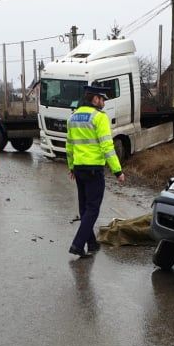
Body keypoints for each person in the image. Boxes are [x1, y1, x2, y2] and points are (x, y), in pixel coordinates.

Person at [66, 85, 125, 257]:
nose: (104, 102)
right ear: (95, 99)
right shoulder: (99, 118)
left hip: (78, 168)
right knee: (92, 209)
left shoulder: (73, 117)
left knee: (85, 209)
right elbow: (107, 146)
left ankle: (92, 243)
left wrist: (71, 166)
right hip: (93, 170)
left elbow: (69, 146)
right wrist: (117, 171)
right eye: (102, 98)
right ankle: (77, 245)